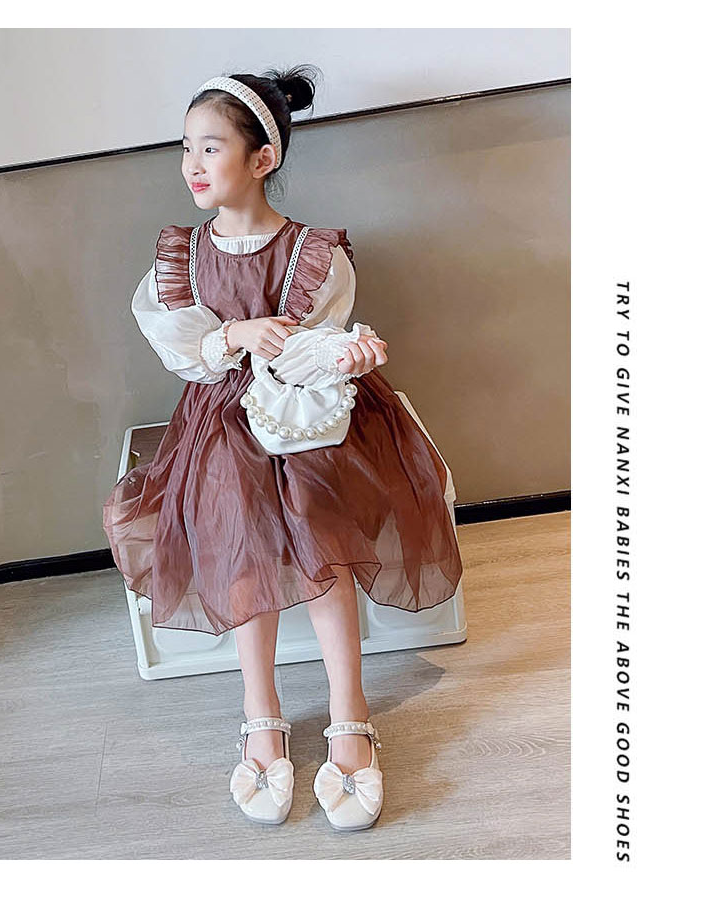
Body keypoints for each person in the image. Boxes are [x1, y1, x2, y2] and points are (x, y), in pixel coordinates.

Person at [102, 64, 463, 831]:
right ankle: (259, 712)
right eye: (187, 148)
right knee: (242, 549)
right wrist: (236, 332)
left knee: (323, 547)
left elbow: (317, 350)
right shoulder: (181, 258)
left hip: (307, 424)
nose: (192, 165)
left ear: (261, 157)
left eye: (210, 147)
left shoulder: (314, 254)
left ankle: (349, 713)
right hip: (222, 423)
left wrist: (346, 355)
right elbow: (186, 349)